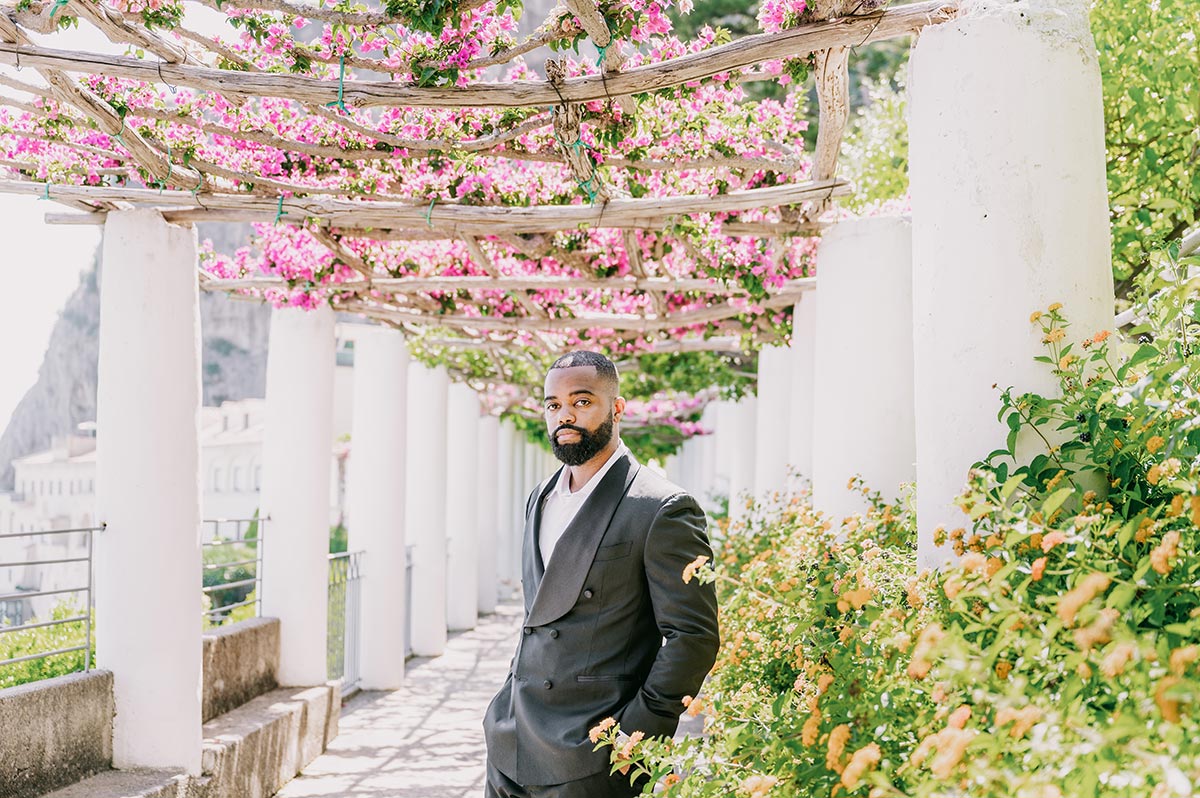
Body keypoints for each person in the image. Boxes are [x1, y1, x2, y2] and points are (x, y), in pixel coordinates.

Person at [483, 350, 720, 797]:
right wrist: (502, 708)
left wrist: (636, 737)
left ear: (617, 408)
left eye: (582, 401)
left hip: (595, 753)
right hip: (511, 739)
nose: (564, 415)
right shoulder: (541, 497)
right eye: (553, 404)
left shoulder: (661, 508)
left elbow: (693, 637)